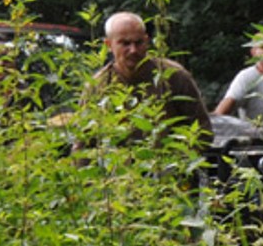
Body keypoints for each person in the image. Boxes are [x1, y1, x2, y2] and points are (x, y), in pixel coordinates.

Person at [90, 11, 212, 146]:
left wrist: (178, 160)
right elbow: (83, 143)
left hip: (168, 163)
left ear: (147, 41)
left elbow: (203, 130)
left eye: (139, 42)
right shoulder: (98, 85)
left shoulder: (173, 76)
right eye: (125, 44)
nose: (133, 50)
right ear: (109, 45)